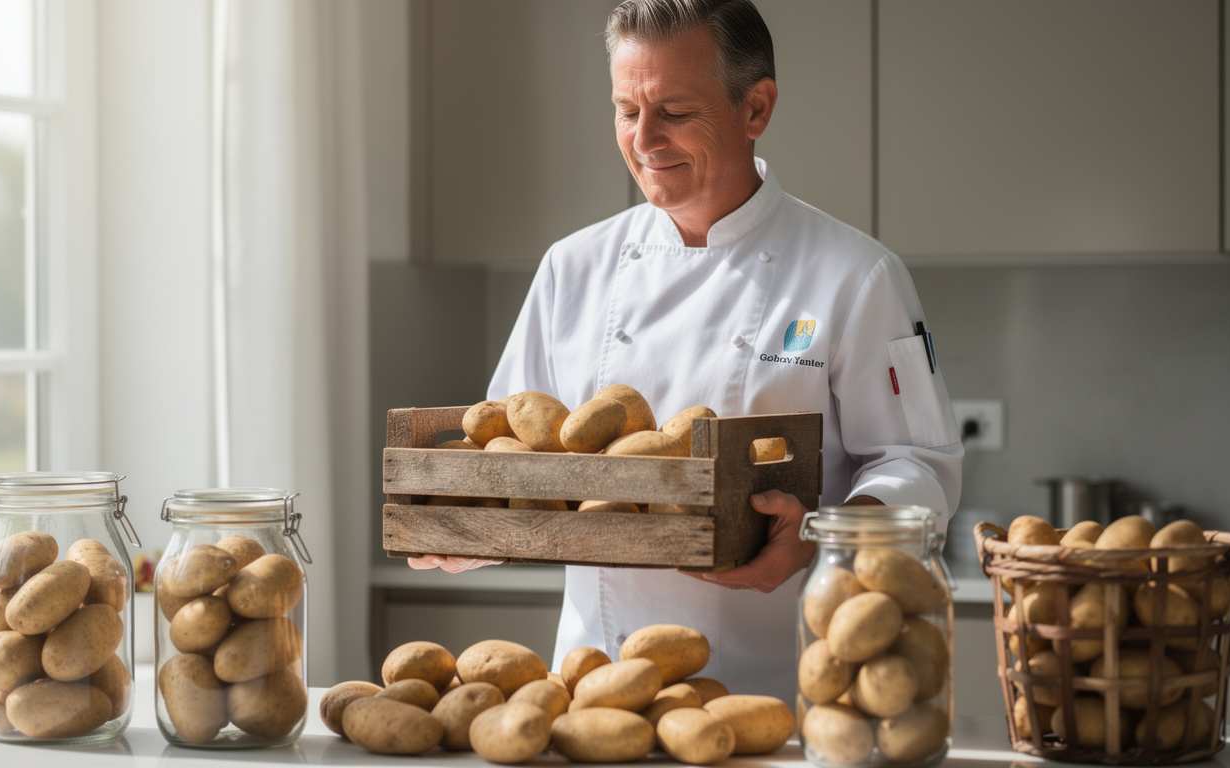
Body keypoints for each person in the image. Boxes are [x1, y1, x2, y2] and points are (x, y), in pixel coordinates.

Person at [411, 0, 962, 702]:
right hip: (594, 696)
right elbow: (515, 458)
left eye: (673, 111)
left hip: (783, 700)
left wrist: (819, 538)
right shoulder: (572, 269)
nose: (644, 139)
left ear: (755, 108)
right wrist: (464, 529)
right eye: (624, 110)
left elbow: (922, 464)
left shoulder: (857, 275)